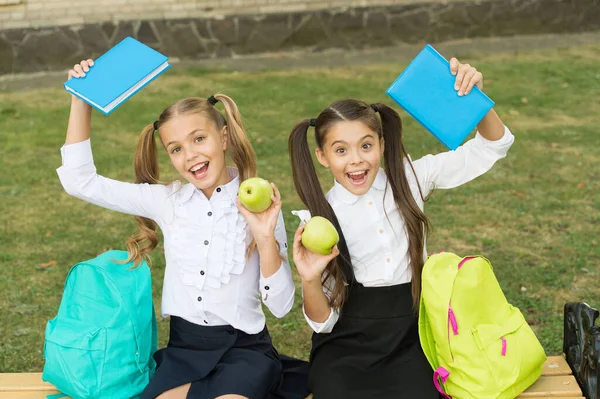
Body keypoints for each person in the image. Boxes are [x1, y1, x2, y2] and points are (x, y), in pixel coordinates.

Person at [58, 59, 308, 399]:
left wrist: (264, 238)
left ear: (223, 137)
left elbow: (280, 306)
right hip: (185, 352)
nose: (190, 155)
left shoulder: (260, 203)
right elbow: (79, 181)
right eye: (176, 149)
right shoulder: (168, 201)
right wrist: (80, 100)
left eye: (199, 139)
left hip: (245, 352)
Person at [288, 57, 515, 398]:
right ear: (322, 157)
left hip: (412, 337)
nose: (356, 159)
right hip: (346, 347)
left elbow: (493, 146)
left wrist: (476, 102)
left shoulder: (410, 179)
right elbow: (322, 322)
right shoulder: (319, 217)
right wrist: (308, 278)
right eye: (340, 150)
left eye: (366, 145)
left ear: (381, 144)